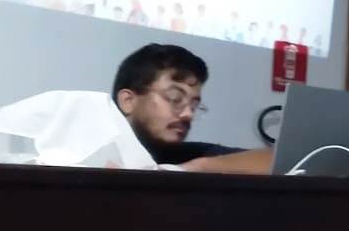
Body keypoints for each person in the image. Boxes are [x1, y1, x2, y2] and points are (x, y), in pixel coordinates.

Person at [111, 44, 270, 174]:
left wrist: (200, 167)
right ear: (128, 101)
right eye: (175, 98)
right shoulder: (99, 150)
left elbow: (275, 161)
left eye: (194, 106)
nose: (188, 114)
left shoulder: (188, 155)